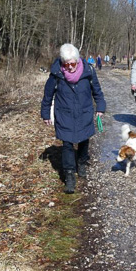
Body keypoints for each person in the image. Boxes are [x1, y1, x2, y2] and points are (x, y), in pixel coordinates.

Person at [41, 44, 106, 194]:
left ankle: (81, 162)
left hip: (84, 112)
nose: (69, 67)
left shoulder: (88, 71)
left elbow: (97, 91)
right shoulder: (56, 74)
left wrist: (100, 107)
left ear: (78, 61)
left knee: (84, 139)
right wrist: (45, 114)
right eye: (66, 64)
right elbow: (47, 95)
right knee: (67, 144)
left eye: (72, 64)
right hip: (64, 114)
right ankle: (69, 175)